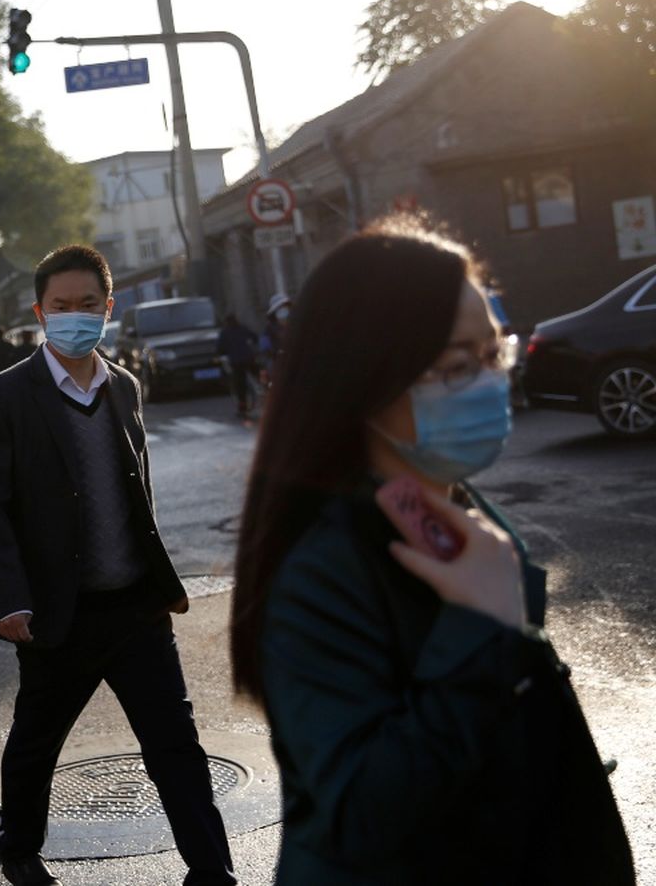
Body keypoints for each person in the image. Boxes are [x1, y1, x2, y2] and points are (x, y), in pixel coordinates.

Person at [228, 217, 633, 884]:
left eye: (492, 353)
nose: (487, 383)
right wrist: (480, 626)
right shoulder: (322, 566)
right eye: (453, 366)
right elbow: (364, 814)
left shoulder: (455, 509)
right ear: (366, 377)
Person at [0, 245, 235, 886]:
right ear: (40, 312)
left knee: (176, 745)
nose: (75, 316)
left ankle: (212, 871)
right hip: (59, 613)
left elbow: (135, 487)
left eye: (88, 305)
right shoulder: (1, 399)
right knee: (35, 744)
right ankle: (22, 856)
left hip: (137, 607)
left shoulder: (124, 386)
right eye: (61, 306)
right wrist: (9, 600)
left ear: (108, 308)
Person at [216, 314, 261, 418]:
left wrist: (223, 353)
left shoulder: (224, 333)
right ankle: (267, 390)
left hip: (236, 362)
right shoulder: (243, 328)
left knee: (240, 385)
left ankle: (242, 407)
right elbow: (254, 337)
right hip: (249, 358)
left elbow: (219, 348)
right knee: (258, 376)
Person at [259, 294, 290, 376]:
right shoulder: (268, 330)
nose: (284, 310)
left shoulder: (295, 324)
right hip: (280, 365)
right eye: (280, 308)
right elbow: (265, 349)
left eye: (285, 307)